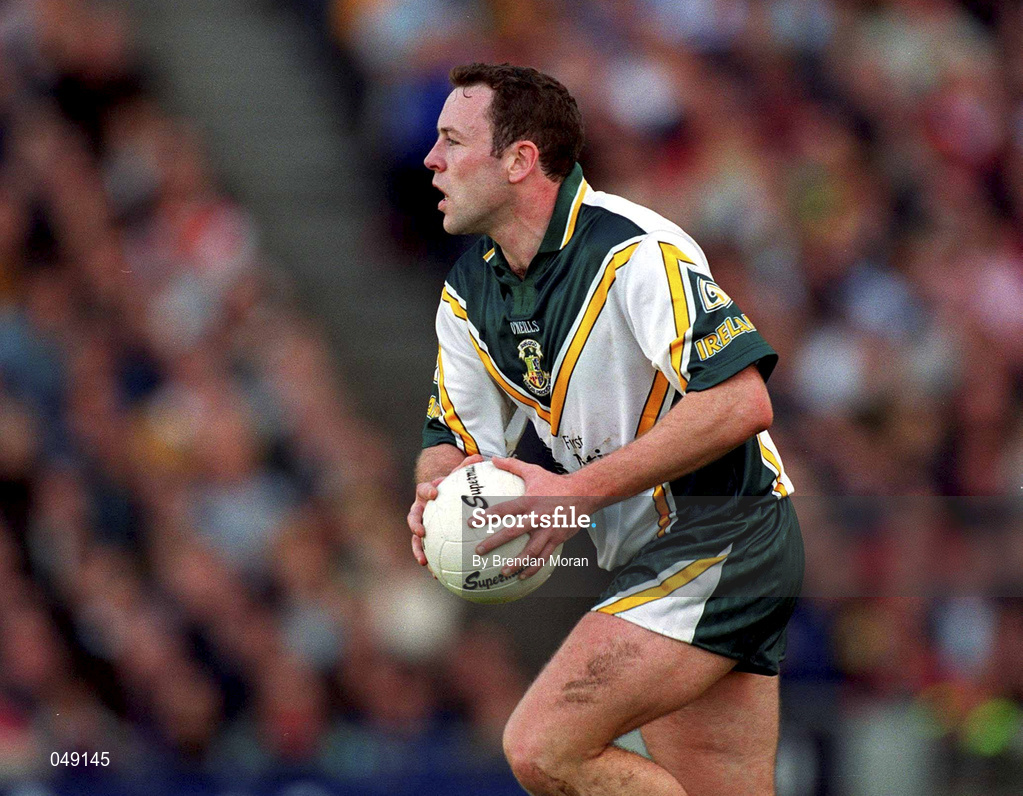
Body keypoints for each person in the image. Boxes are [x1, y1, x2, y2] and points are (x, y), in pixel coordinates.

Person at [407, 62, 803, 796]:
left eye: (452, 140)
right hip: (656, 554)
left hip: (726, 534)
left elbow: (740, 402)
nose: (430, 159)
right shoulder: (468, 291)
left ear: (519, 160)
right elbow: (452, 440)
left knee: (541, 747)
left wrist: (573, 494)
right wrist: (435, 498)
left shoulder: (635, 251)